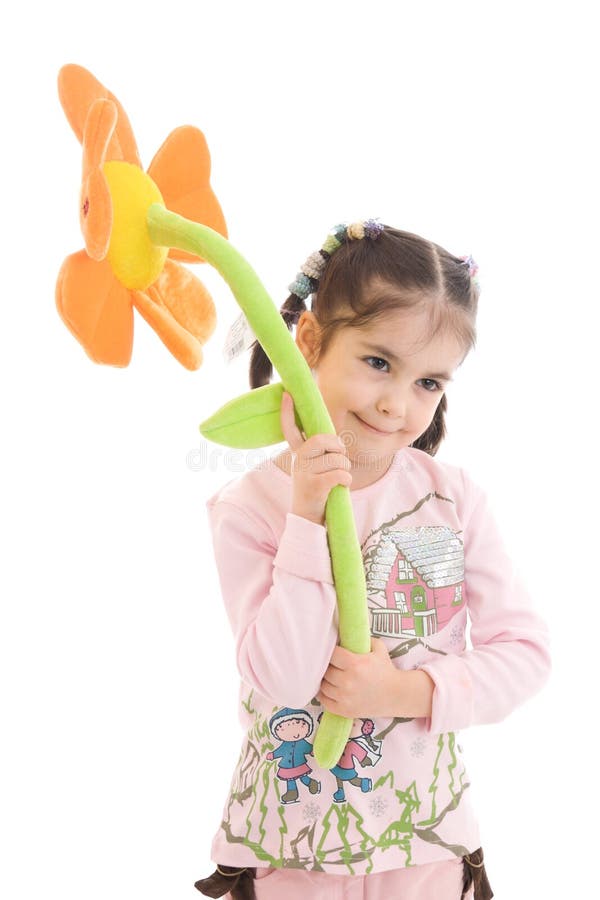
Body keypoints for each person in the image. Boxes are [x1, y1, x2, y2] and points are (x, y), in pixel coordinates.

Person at [194, 221, 551, 900]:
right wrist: (307, 517)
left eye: (429, 383)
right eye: (379, 363)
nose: (397, 404)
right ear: (309, 343)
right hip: (293, 852)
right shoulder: (252, 509)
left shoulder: (451, 499)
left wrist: (405, 693)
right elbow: (282, 676)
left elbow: (524, 652)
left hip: (428, 848)